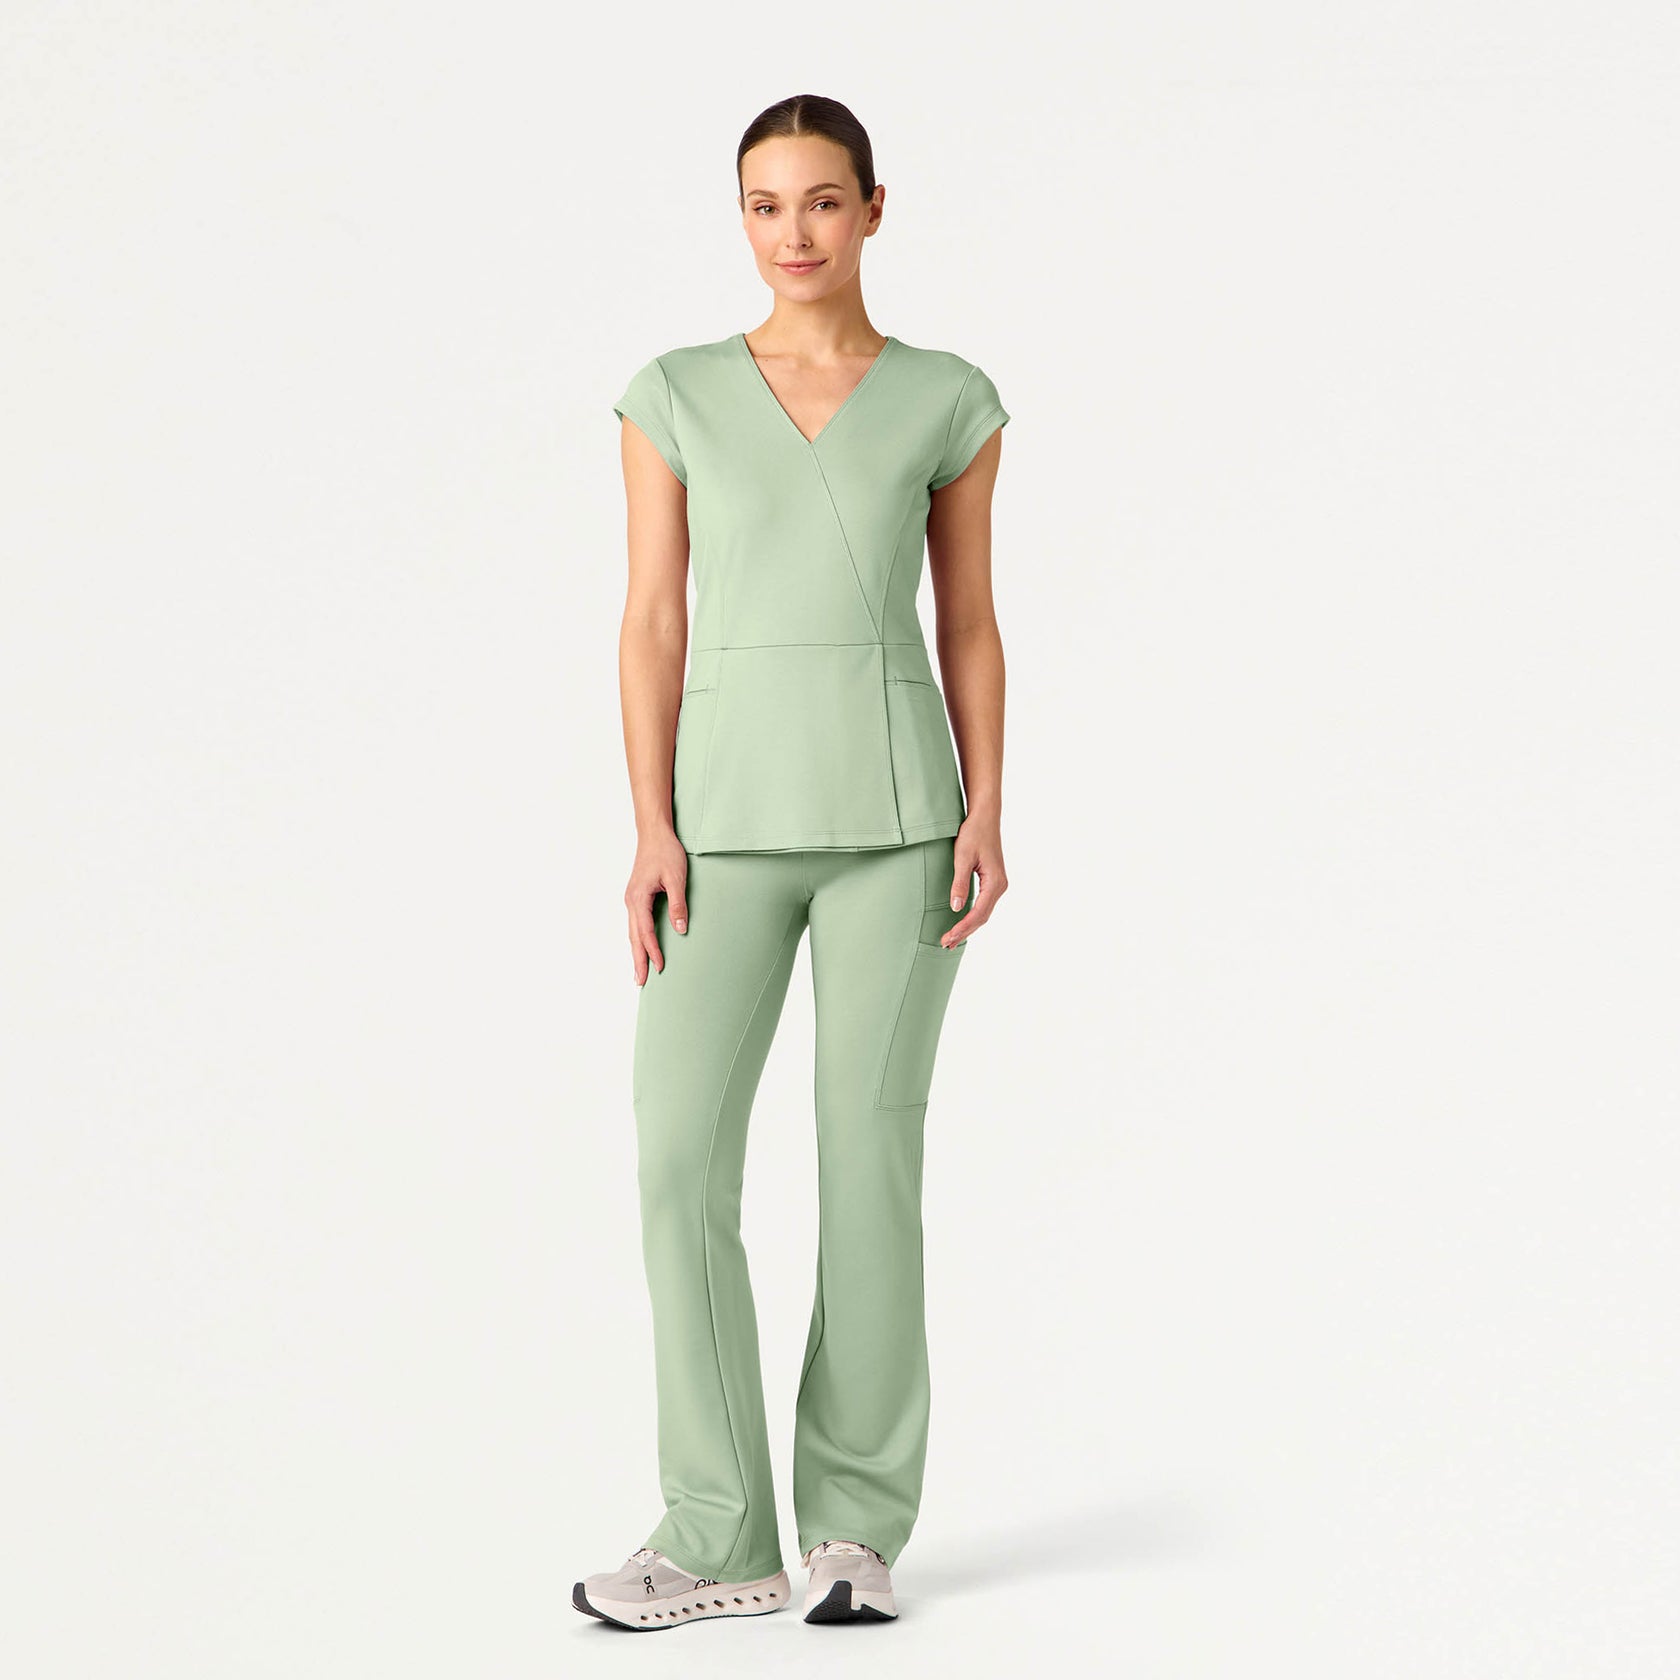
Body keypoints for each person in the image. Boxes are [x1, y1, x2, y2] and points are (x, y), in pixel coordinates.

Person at [574, 93, 1010, 1633]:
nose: (795, 233)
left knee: (866, 1163)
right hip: (720, 823)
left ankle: (854, 1530)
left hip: (899, 825)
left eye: (823, 201)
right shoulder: (675, 394)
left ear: (874, 209)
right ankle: (717, 1531)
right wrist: (651, 823)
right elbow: (652, 619)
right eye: (766, 205)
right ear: (741, 219)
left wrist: (985, 806)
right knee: (676, 1159)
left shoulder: (948, 398)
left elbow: (968, 619)